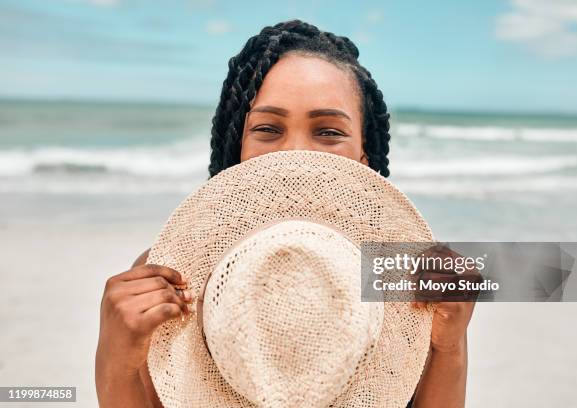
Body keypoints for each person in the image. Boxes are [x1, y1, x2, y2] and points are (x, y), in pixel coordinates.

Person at [96, 19, 474, 408]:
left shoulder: (410, 276)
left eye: (328, 131)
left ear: (365, 155)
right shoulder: (171, 274)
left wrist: (449, 348)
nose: (295, 151)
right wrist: (117, 359)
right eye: (268, 128)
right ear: (236, 147)